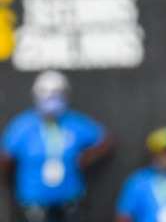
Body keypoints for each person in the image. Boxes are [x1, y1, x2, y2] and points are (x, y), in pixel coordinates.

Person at [0, 70, 113, 222]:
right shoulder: (22, 125)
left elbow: (104, 138)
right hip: (34, 201)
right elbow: (6, 155)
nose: (51, 99)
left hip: (69, 200)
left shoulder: (74, 122)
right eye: (46, 93)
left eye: (57, 93)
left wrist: (86, 157)